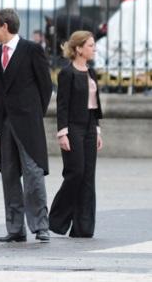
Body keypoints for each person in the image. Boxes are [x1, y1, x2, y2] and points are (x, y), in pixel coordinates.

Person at [0, 8, 52, 243]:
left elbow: (45, 87)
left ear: (5, 26)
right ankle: (15, 228)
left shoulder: (32, 50)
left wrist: (34, 114)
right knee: (9, 175)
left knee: (33, 174)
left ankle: (41, 226)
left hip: (28, 123)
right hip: (5, 124)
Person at [49, 31, 103, 238]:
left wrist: (97, 130)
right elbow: (62, 106)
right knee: (76, 173)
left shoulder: (92, 72)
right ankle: (56, 218)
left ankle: (83, 227)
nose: (94, 48)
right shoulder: (67, 73)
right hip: (73, 128)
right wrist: (62, 133)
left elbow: (94, 104)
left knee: (88, 177)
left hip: (90, 127)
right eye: (90, 45)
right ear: (79, 48)